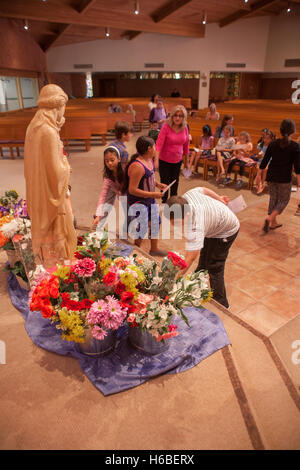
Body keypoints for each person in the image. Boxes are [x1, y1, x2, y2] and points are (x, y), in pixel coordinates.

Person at [24, 84, 77, 268]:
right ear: (58, 106)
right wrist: (67, 166)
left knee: (48, 238)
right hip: (51, 193)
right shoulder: (48, 132)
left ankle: (48, 265)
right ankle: (57, 273)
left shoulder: (34, 126)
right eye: (63, 108)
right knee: (59, 234)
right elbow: (56, 171)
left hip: (38, 189)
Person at [164, 187, 239, 308]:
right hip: (213, 225)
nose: (175, 226)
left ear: (187, 215)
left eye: (177, 222)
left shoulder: (196, 224)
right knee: (204, 261)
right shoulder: (186, 198)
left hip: (226, 230)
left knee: (215, 266)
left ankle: (222, 304)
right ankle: (195, 287)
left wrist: (174, 280)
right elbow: (203, 189)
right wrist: (219, 198)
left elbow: (190, 258)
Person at [123, 136, 167, 256]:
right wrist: (153, 194)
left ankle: (154, 249)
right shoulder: (137, 166)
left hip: (149, 198)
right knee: (142, 226)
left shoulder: (149, 160)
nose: (155, 149)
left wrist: (157, 184)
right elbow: (132, 190)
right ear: (149, 149)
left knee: (155, 221)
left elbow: (149, 177)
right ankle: (135, 249)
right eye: (154, 147)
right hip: (138, 201)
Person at [259, 119, 300, 232]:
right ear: (293, 131)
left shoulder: (273, 143)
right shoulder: (295, 146)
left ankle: (273, 223)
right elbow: (298, 168)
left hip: (271, 176)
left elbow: (264, 161)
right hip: (284, 178)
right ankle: (270, 218)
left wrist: (259, 175)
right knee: (284, 200)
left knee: (273, 198)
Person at [156, 105, 190, 203]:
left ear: (184, 118)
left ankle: (173, 203)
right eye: (175, 115)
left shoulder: (185, 127)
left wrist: (186, 161)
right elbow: (158, 144)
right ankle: (164, 201)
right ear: (172, 116)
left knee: (175, 182)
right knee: (165, 182)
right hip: (164, 160)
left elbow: (186, 145)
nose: (177, 118)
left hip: (177, 160)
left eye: (180, 116)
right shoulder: (166, 126)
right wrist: (156, 160)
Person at [91, 147, 124, 231]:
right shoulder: (108, 177)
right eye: (107, 161)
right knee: (105, 205)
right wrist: (98, 215)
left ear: (119, 159)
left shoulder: (125, 172)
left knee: (129, 211)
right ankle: (98, 223)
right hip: (113, 187)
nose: (109, 163)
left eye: (112, 160)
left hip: (125, 192)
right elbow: (103, 196)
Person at [252, 130, 275, 194]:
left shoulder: (273, 145)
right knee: (259, 169)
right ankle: (260, 185)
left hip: (269, 161)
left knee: (265, 169)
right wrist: (259, 155)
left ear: (271, 139)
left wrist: (265, 156)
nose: (265, 140)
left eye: (268, 138)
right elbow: (257, 155)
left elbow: (273, 156)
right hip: (260, 161)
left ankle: (261, 184)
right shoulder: (260, 145)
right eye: (264, 138)